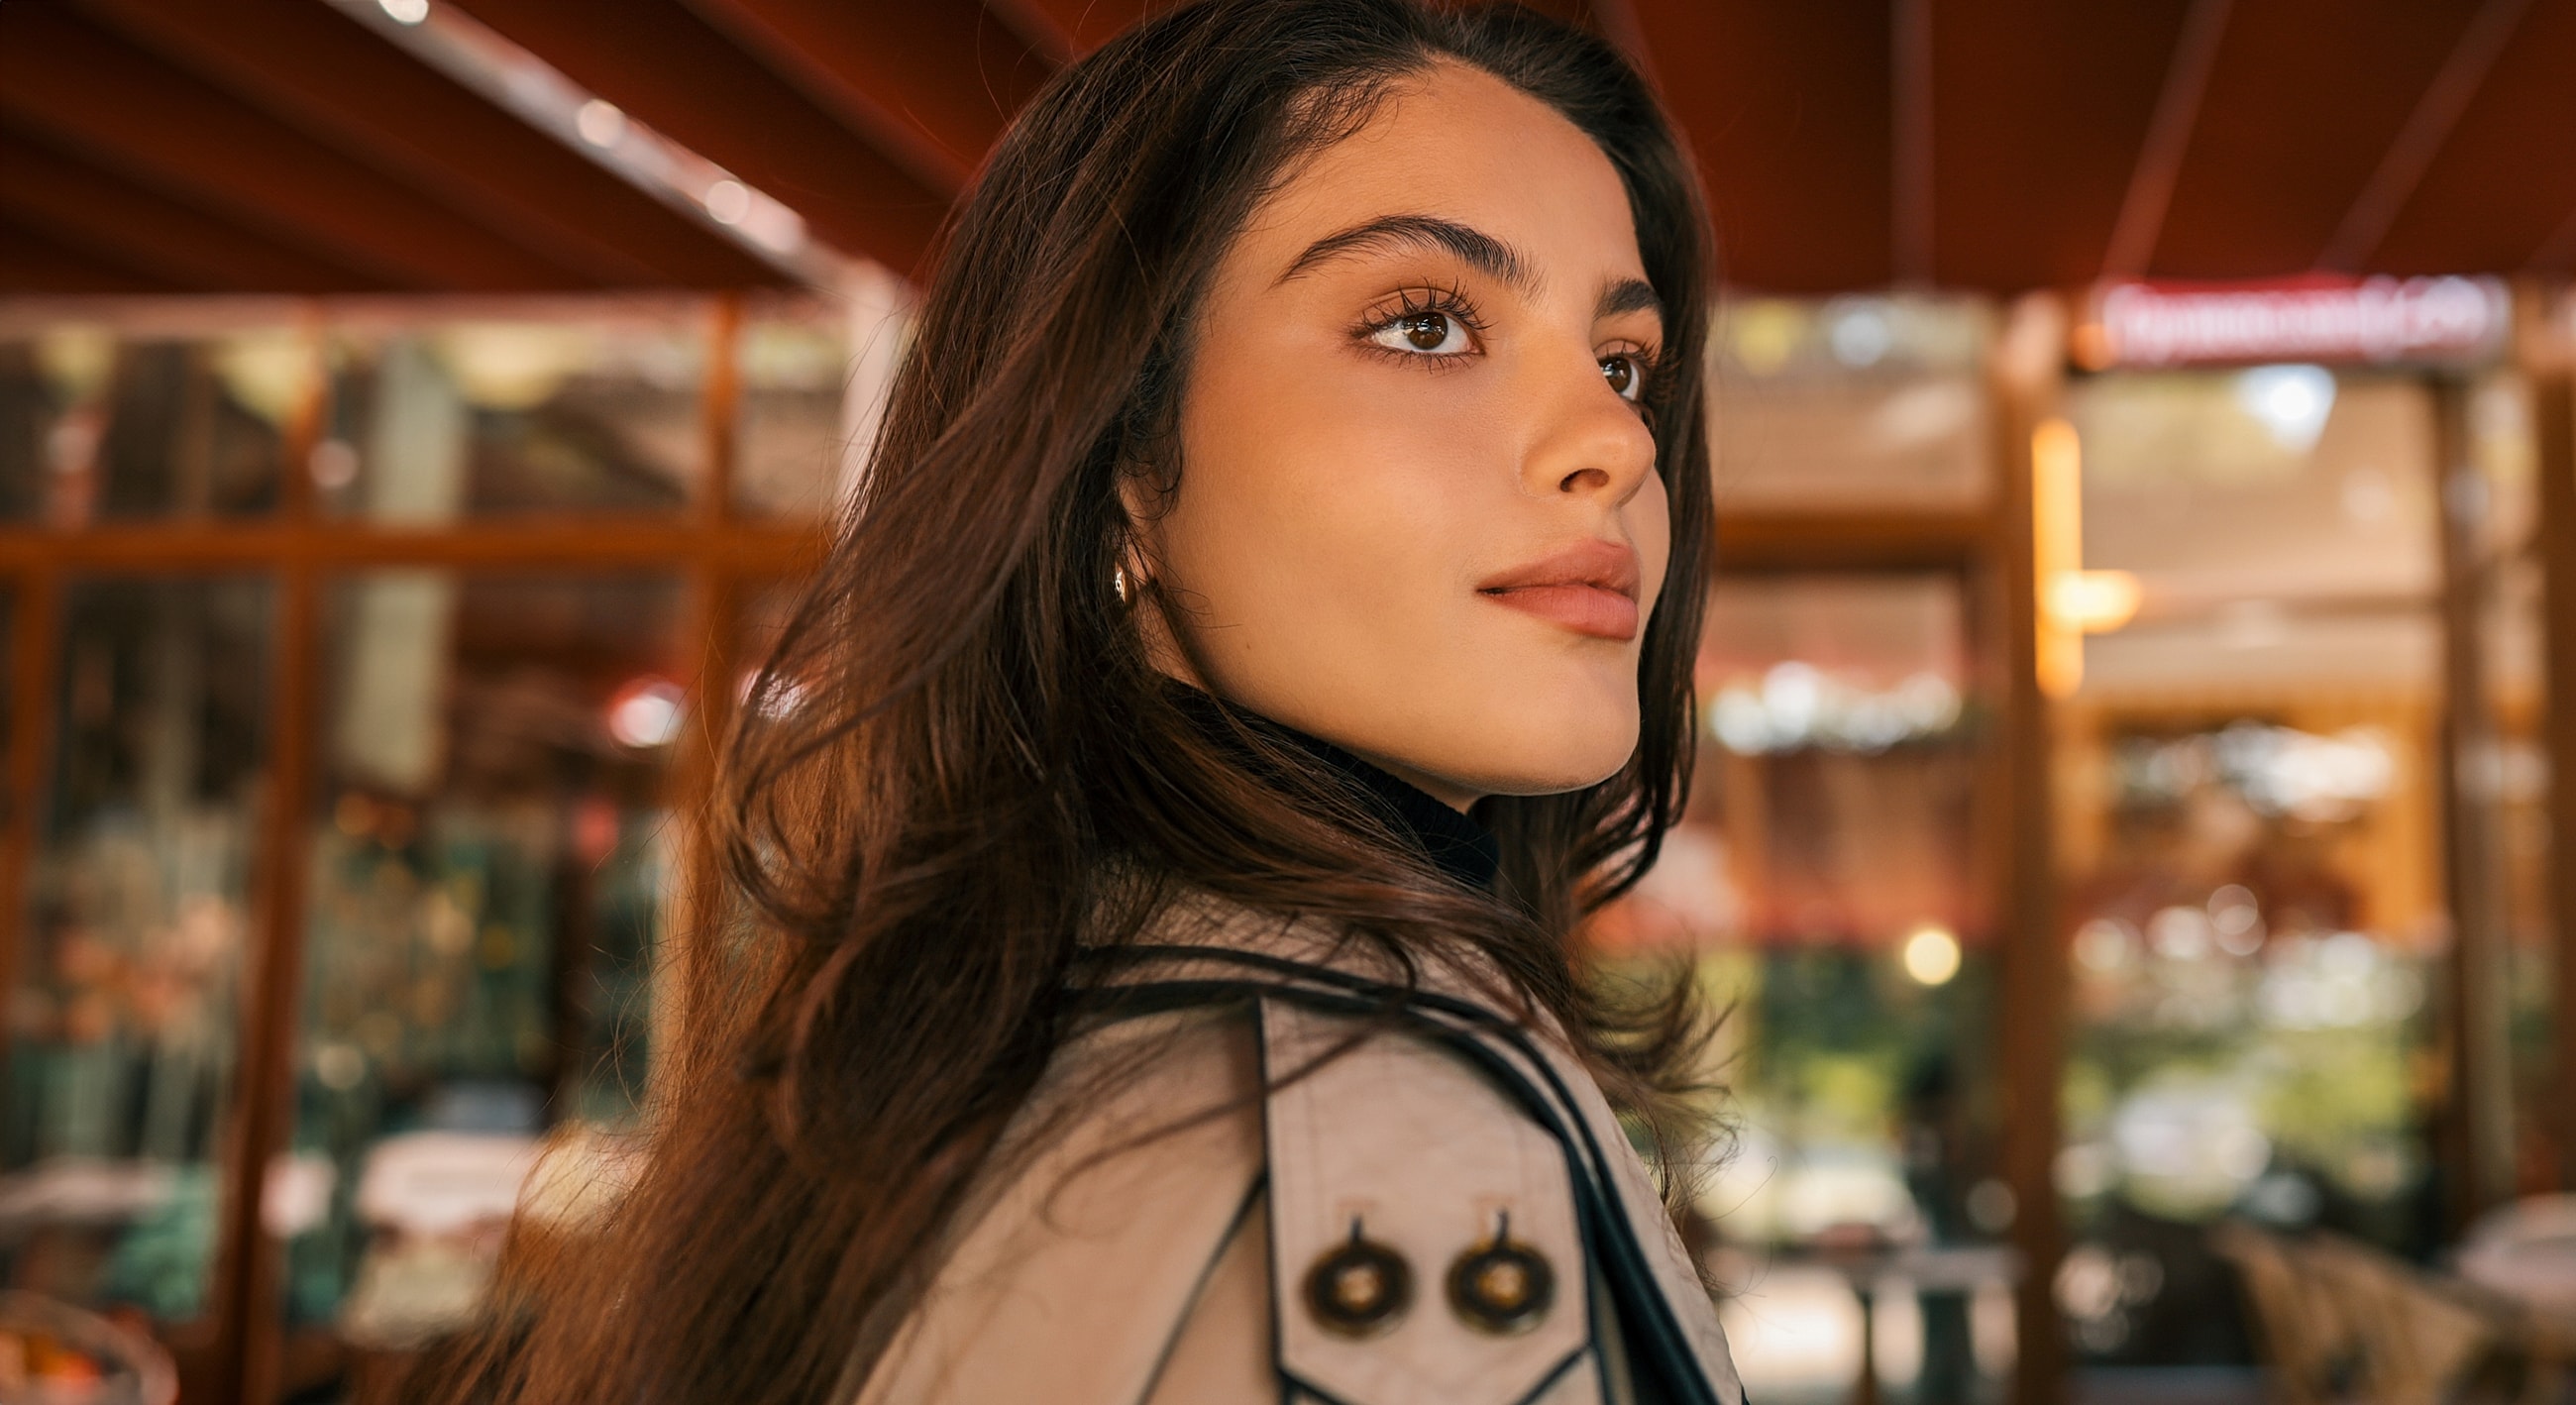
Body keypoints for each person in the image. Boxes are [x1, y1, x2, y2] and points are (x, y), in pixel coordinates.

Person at [411, 2, 1741, 1401]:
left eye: (1621, 363)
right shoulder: (1385, 1152)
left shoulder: (964, 1076)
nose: (1615, 440)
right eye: (1423, 324)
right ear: (1118, 466)